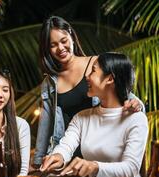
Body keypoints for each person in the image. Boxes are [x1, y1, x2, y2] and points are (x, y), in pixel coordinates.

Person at [33, 16, 144, 168]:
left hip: (102, 150)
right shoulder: (49, 83)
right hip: (68, 153)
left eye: (63, 40)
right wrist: (38, 161)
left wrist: (136, 104)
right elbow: (45, 124)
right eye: (53, 45)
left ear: (71, 35)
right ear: (47, 49)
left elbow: (125, 95)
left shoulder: (96, 65)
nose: (60, 48)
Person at [40, 52, 148, 177]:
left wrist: (94, 166)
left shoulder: (136, 119)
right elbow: (66, 146)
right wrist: (59, 157)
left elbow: (130, 170)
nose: (86, 75)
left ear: (109, 79)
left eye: (93, 71)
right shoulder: (81, 118)